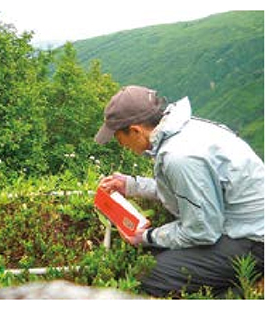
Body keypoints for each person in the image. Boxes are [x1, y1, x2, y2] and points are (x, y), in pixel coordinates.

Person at [95, 85, 263, 297]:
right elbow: (187, 189)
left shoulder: (179, 156)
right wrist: (131, 185)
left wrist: (146, 236)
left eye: (120, 139)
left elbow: (202, 231)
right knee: (157, 255)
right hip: (243, 224)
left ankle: (243, 292)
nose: (122, 145)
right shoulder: (183, 130)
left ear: (136, 130)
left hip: (254, 239)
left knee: (146, 274)